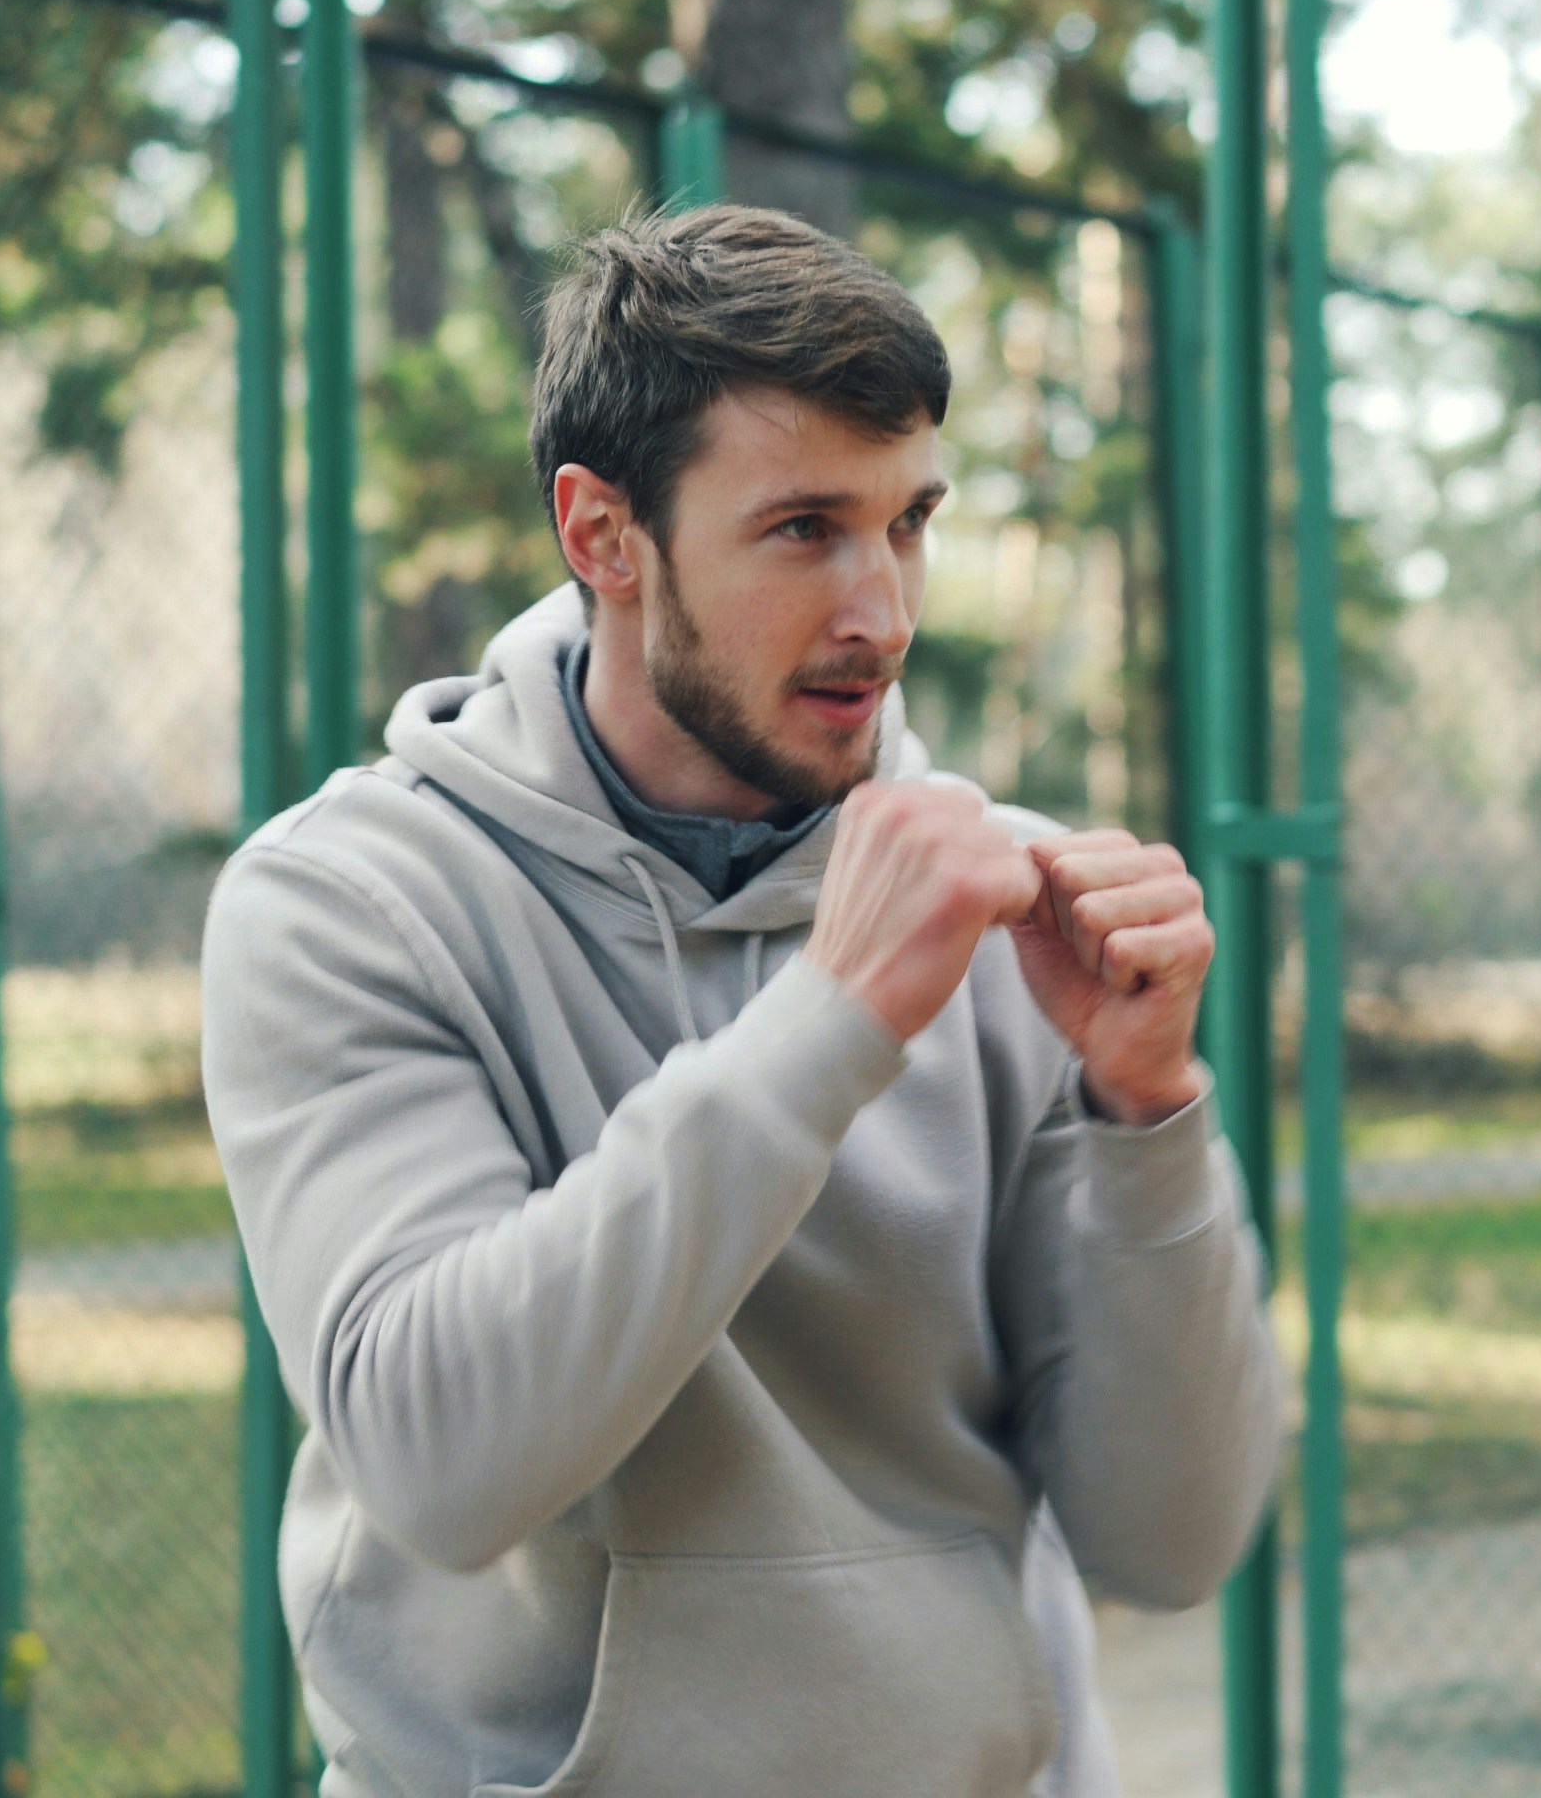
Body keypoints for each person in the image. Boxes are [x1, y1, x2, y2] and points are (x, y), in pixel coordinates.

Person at [199, 204, 1283, 1798]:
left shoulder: (1010, 908)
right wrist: (832, 1019)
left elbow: (1173, 1542)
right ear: (602, 535)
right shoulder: (351, 903)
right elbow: (440, 1462)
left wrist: (1149, 1111)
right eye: (804, 530)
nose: (884, 614)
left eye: (910, 521)